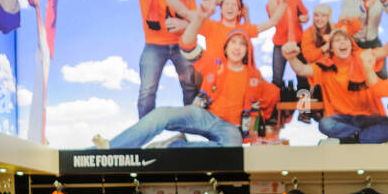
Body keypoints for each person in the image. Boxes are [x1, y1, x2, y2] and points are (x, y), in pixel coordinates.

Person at [94, 30, 278, 149]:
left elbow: (262, 105)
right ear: (226, 46)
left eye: (242, 44)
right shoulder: (215, 64)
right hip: (204, 116)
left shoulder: (254, 76)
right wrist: (197, 19)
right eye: (234, 43)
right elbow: (188, 46)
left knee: (232, 148)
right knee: (162, 114)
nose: (237, 48)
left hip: (228, 127)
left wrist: (255, 137)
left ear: (248, 50)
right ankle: (113, 147)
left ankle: (174, 146)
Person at [99, 0, 197, 113]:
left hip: (181, 45)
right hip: (154, 46)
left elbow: (196, 19)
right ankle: (144, 132)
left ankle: (197, 126)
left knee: (191, 86)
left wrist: (183, 25)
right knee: (147, 91)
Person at [282, 20, 388, 143]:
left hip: (371, 118)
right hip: (342, 120)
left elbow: (386, 50)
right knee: (325, 124)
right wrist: (291, 58)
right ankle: (364, 138)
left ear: (351, 44)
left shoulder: (362, 56)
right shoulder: (325, 66)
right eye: (337, 40)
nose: (342, 42)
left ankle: (352, 138)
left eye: (346, 39)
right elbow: (302, 70)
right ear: (331, 48)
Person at [265, 0, 308, 89]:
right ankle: (273, 106)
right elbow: (273, 16)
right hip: (280, 44)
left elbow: (305, 14)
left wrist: (304, 18)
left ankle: (304, 106)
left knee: (302, 77)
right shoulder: (270, 4)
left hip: (298, 42)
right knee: (277, 78)